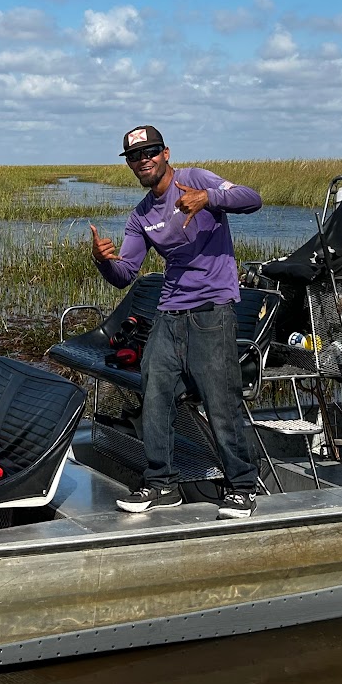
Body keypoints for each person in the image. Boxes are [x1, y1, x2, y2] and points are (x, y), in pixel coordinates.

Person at [89, 125, 264, 519]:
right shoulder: (140, 216)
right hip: (169, 313)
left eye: (150, 152)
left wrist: (209, 199)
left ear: (166, 153)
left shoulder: (195, 180)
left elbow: (252, 200)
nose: (143, 160)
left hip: (212, 311)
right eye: (135, 156)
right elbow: (125, 274)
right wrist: (103, 262)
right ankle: (162, 484)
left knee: (221, 401)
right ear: (130, 165)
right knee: (154, 394)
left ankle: (241, 487)